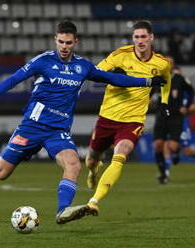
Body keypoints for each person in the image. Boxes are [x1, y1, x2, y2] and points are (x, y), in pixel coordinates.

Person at [0, 20, 166, 224]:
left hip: (58, 131)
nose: (64, 47)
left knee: (74, 165)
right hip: (32, 126)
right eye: (61, 42)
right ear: (55, 40)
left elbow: (113, 79)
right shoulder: (43, 61)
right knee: (0, 174)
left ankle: (62, 211)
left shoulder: (82, 66)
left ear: (76, 42)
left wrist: (146, 81)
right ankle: (13, 154)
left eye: (68, 43)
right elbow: (13, 79)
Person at [59, 20, 172, 222]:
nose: (140, 41)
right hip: (107, 117)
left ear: (151, 38)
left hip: (133, 120)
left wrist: (164, 102)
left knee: (121, 154)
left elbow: (166, 79)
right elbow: (95, 73)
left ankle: (94, 201)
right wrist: (111, 76)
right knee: (92, 159)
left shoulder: (161, 63)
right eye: (136, 37)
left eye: (143, 37)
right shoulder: (121, 55)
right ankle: (94, 171)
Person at [153, 66, 195, 184]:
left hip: (182, 121)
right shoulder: (164, 87)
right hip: (167, 119)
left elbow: (193, 105)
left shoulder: (184, 92)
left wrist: (187, 108)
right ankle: (165, 173)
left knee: (185, 150)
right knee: (166, 145)